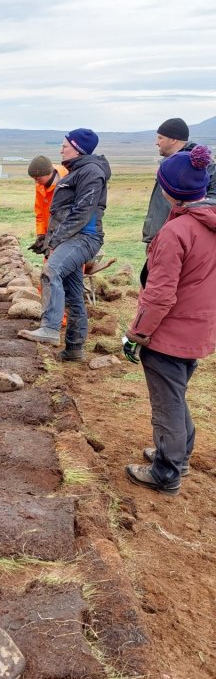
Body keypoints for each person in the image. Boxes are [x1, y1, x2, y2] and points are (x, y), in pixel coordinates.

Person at [124, 145, 216, 495]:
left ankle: (166, 472)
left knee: (167, 403)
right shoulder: (208, 223)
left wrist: (137, 334)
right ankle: (180, 455)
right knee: (176, 395)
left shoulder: (175, 233)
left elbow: (159, 295)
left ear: (168, 190)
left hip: (170, 333)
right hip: (199, 328)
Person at [18, 129, 111, 361]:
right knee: (73, 294)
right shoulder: (77, 170)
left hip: (84, 238)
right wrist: (47, 238)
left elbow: (82, 212)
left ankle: (49, 328)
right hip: (72, 238)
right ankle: (74, 349)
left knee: (51, 271)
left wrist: (54, 240)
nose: (61, 149)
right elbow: (54, 212)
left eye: (65, 145)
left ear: (78, 148)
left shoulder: (91, 172)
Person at [142, 118, 216, 247]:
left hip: (183, 239)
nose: (156, 142)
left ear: (173, 140)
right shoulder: (169, 164)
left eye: (160, 138)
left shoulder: (200, 165)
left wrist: (188, 212)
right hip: (161, 236)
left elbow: (213, 198)